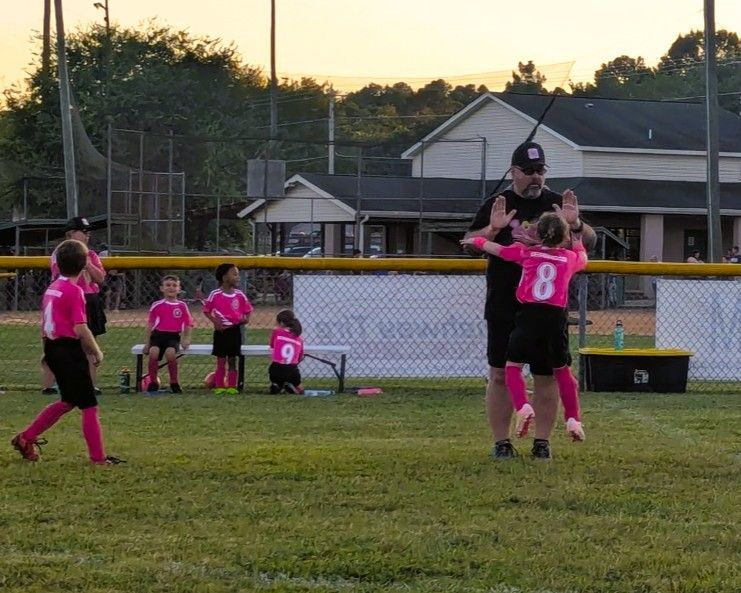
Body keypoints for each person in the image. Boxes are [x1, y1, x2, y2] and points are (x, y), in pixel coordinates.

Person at [464, 141, 595, 460]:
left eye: (541, 171)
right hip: (505, 304)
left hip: (547, 310)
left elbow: (589, 240)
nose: (536, 177)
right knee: (499, 372)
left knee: (546, 374)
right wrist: (492, 230)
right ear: (514, 172)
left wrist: (575, 224)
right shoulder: (498, 201)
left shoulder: (555, 203)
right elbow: (470, 243)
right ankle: (501, 442)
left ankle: (542, 442)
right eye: (530, 171)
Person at [462, 212, 588, 442]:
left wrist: (477, 241)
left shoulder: (527, 253)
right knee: (562, 373)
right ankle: (573, 419)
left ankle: (523, 406)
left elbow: (498, 250)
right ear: (564, 238)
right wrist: (577, 240)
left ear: (538, 235)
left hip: (528, 315)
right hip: (555, 319)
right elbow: (583, 257)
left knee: (511, 367)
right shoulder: (569, 257)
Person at [11, 239, 123, 465]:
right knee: (90, 406)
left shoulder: (52, 288)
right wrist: (96, 352)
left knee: (68, 401)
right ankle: (98, 458)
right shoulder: (75, 291)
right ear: (84, 266)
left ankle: (26, 437)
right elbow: (81, 328)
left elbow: (47, 323)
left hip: (53, 347)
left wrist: (48, 351)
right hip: (67, 350)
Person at [45, 217, 107, 396]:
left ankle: (90, 384)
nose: (87, 235)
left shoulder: (92, 255)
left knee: (89, 343)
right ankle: (57, 382)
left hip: (89, 299)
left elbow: (100, 278)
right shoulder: (61, 253)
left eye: (89, 232)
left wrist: (87, 263)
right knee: (64, 342)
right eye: (83, 232)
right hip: (68, 299)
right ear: (71, 234)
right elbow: (60, 277)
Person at [202, 263, 253, 395]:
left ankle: (231, 386)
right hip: (221, 332)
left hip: (234, 331)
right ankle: (219, 386)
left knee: (232, 360)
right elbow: (206, 310)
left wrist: (245, 318)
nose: (238, 277)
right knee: (221, 360)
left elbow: (248, 310)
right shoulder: (215, 294)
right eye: (234, 274)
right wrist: (215, 321)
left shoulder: (240, 295)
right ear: (224, 278)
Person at [142, 275, 193, 394]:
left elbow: (188, 323)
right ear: (162, 288)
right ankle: (153, 382)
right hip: (158, 335)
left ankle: (174, 382)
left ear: (179, 289)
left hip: (173, 336)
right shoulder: (157, 305)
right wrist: (147, 343)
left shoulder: (182, 306)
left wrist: (186, 339)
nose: (171, 288)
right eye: (168, 285)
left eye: (174, 285)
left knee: (170, 353)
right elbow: (150, 324)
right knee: (153, 352)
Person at [268, 309, 305, 394]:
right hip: (292, 370)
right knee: (299, 386)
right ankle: (293, 387)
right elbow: (300, 357)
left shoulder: (277, 331)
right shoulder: (299, 339)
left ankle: (276, 385)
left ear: (281, 323)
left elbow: (272, 346)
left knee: (277, 378)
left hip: (275, 369)